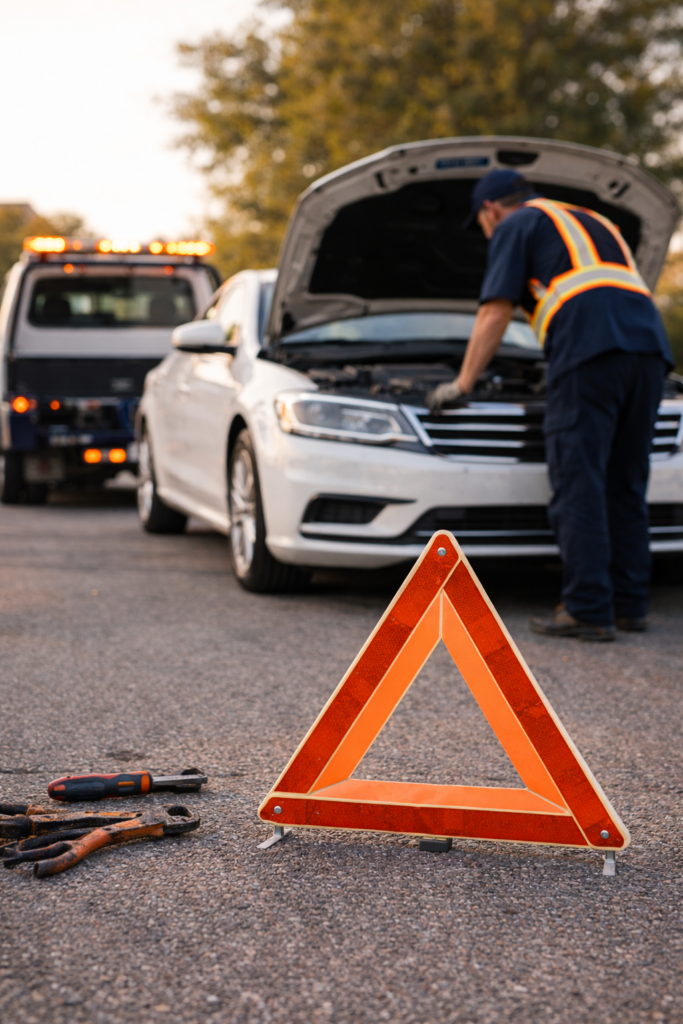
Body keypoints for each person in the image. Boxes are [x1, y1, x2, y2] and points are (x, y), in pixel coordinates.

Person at [427, 169, 673, 641]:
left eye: (480, 223)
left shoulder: (515, 224)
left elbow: (495, 309)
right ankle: (627, 604)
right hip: (647, 354)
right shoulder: (595, 220)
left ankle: (586, 608)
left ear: (490, 209)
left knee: (579, 481)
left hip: (588, 352)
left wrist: (463, 383)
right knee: (625, 481)